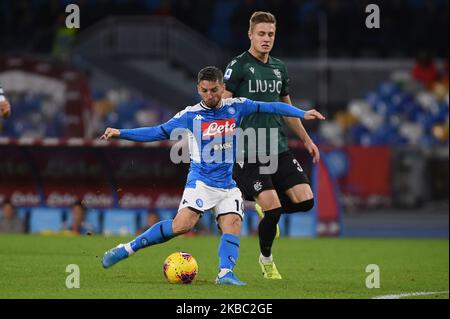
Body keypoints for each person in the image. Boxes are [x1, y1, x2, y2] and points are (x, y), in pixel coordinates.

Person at [100, 66, 325, 285]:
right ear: (198, 89)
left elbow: (272, 107)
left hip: (227, 184)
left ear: (222, 87)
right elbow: (157, 131)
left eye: (214, 90)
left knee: (233, 222)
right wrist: (121, 133)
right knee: (182, 226)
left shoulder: (237, 107)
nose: (210, 95)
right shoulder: (190, 115)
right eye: (205, 90)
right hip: (201, 182)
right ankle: (127, 248)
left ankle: (225, 273)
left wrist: (302, 113)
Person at [222, 11, 321, 280]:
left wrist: (307, 140)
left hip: (278, 147)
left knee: (306, 201)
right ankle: (266, 260)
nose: (266, 39)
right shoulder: (239, 65)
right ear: (250, 35)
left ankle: (264, 211)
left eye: (271, 34)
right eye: (261, 34)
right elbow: (222, 106)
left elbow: (287, 109)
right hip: (248, 149)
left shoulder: (279, 68)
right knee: (275, 209)